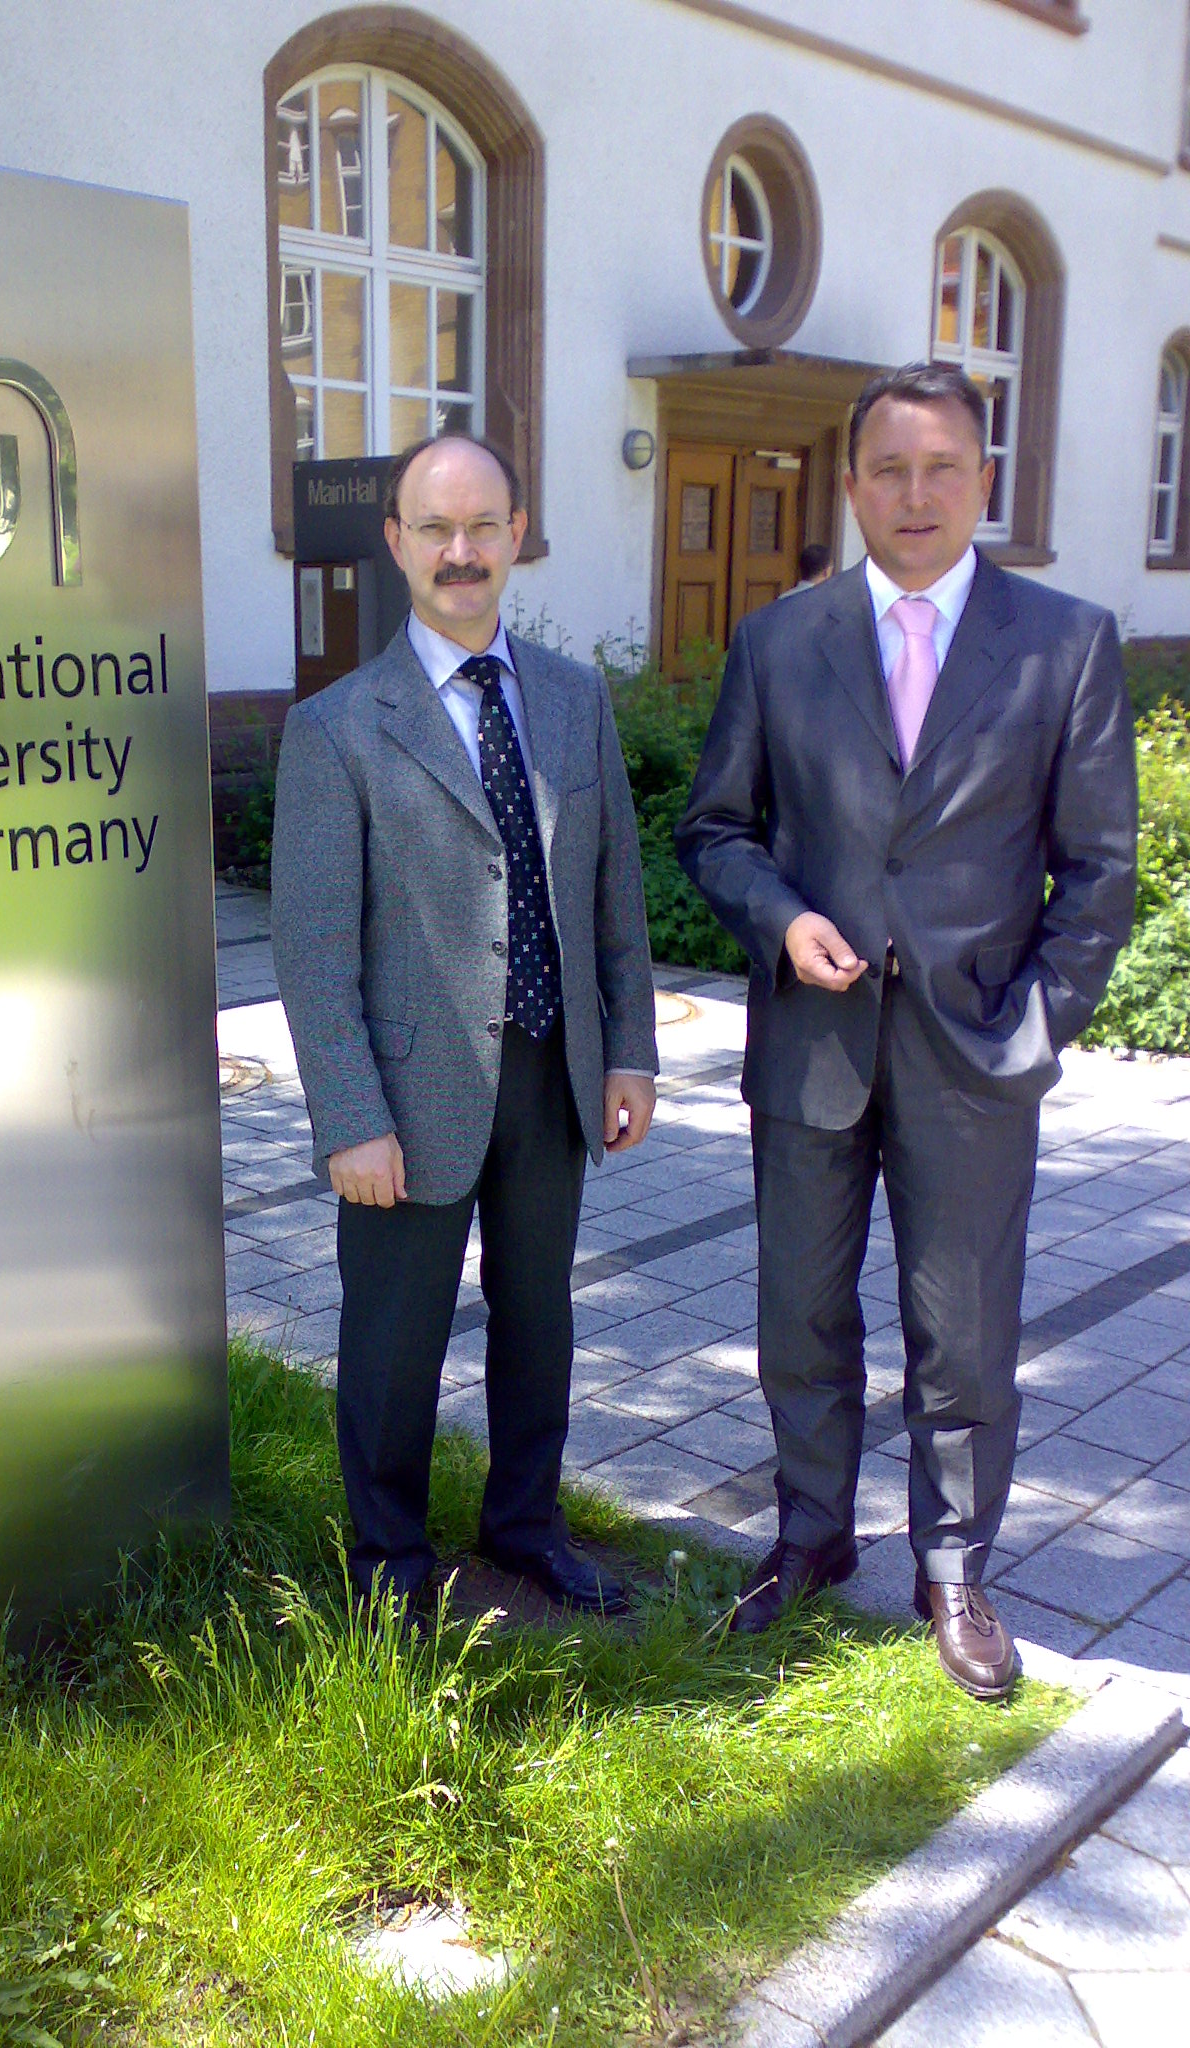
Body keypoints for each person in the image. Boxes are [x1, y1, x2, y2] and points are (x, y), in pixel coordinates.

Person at [677, 361, 1137, 1698]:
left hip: (974, 1054)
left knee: (965, 1329)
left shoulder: (1065, 642)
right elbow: (716, 829)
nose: (916, 493)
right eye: (890, 469)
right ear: (852, 485)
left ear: (984, 479)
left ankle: (954, 1568)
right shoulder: (780, 641)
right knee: (799, 1316)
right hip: (812, 1047)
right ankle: (810, 1537)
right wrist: (780, 921)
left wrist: (1034, 1032)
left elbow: (1098, 872)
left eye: (942, 467)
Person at [271, 433, 659, 1620]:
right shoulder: (339, 725)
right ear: (396, 541)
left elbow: (616, 894)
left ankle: (526, 1525)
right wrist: (350, 1116)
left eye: (483, 525)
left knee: (540, 1320)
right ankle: (389, 1563)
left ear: (516, 535)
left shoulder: (573, 697)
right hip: (408, 1092)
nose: (460, 551)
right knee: (396, 1339)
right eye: (435, 528)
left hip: (552, 1070)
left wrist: (631, 1048)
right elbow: (313, 947)